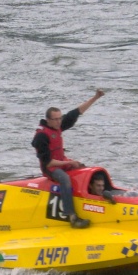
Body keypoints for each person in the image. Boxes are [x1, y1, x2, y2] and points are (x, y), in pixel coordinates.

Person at [32, 89, 105, 229]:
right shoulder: (41, 137)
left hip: (61, 161)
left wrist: (95, 97)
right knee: (65, 179)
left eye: (60, 118)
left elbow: (76, 112)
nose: (59, 121)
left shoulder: (57, 125)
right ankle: (72, 216)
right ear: (48, 120)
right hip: (50, 168)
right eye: (56, 119)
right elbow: (48, 162)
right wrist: (69, 162)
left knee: (84, 168)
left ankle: (95, 200)